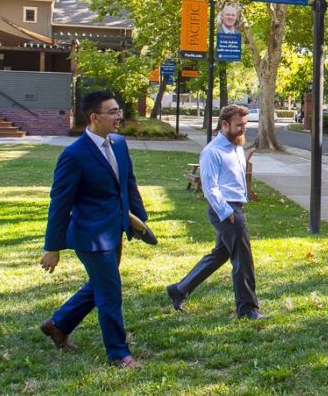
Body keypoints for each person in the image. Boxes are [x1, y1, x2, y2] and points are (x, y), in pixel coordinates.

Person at [39, 90, 148, 369]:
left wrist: (140, 221)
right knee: (110, 292)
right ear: (94, 117)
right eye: (113, 112)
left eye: (119, 110)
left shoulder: (120, 144)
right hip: (90, 237)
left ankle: (57, 324)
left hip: (115, 231)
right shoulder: (74, 155)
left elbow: (128, 184)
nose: (119, 116)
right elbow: (60, 203)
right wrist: (52, 247)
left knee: (100, 285)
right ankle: (118, 353)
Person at [166, 104, 266, 320]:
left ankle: (179, 289)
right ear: (224, 124)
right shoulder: (212, 151)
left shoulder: (236, 147)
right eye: (239, 126)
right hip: (227, 210)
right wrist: (227, 213)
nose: (243, 130)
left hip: (235, 206)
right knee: (243, 260)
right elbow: (210, 188)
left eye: (245, 125)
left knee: (219, 255)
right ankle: (248, 309)